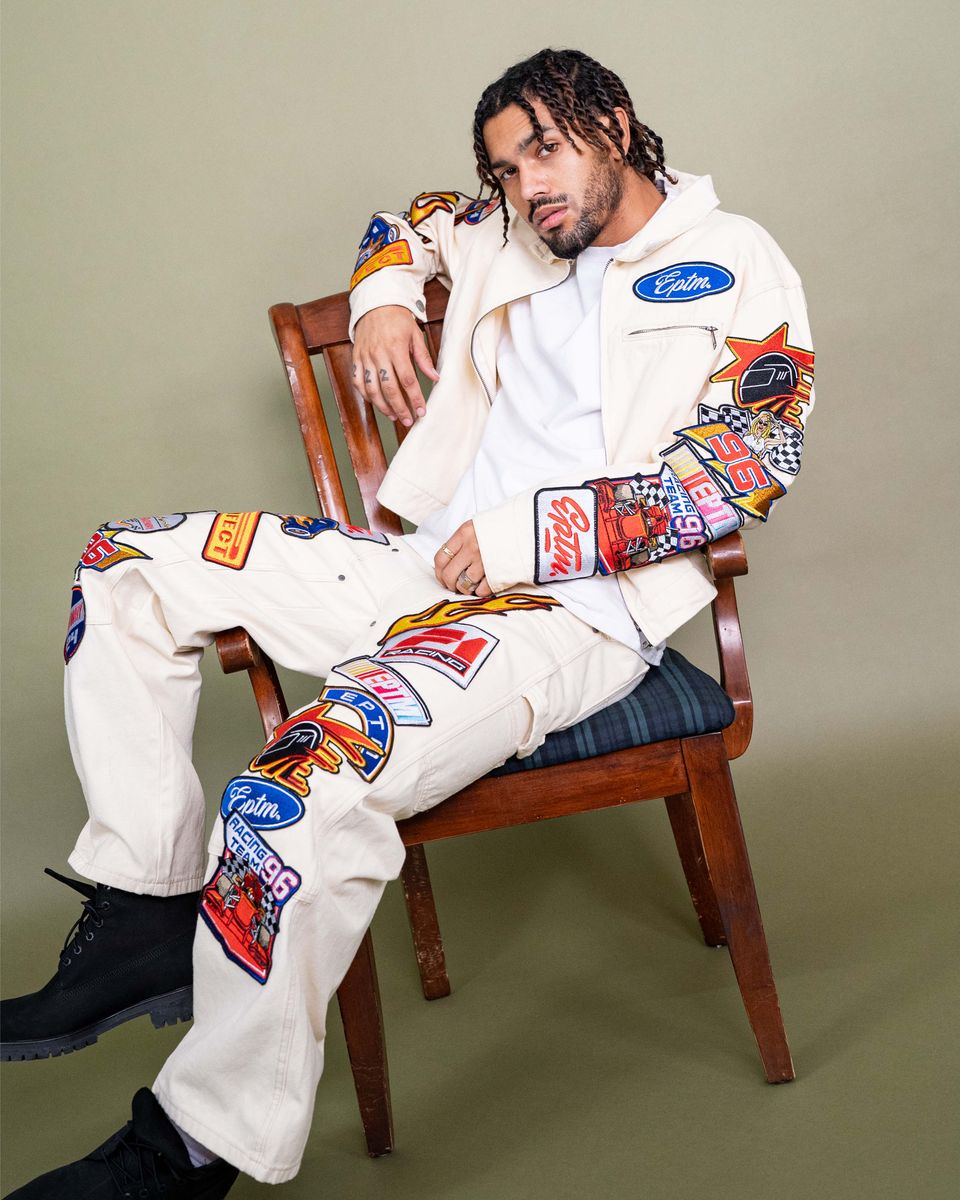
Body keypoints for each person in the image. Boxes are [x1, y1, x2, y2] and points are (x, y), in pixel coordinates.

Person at [0, 47, 815, 1198]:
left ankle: (189, 1145)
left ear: (617, 124)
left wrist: (538, 535)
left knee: (288, 786)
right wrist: (385, 293)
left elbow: (745, 468)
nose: (527, 185)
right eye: (504, 165)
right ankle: (145, 909)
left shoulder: (734, 263)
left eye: (547, 147)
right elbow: (411, 217)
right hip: (415, 567)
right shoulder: (508, 227)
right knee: (126, 565)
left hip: (560, 614)